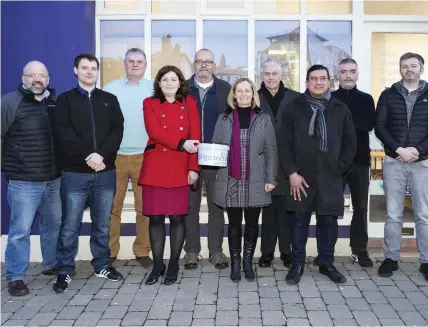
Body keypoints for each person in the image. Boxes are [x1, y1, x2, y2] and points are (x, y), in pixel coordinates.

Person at [278, 65, 356, 285]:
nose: (318, 82)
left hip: (330, 176)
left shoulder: (340, 109)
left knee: (328, 222)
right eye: (314, 78)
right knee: (299, 222)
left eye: (323, 78)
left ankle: (326, 263)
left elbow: (351, 143)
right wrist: (291, 172)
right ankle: (297, 264)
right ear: (306, 82)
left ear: (330, 82)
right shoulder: (293, 108)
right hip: (300, 177)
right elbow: (283, 144)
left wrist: (337, 167)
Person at [53, 54, 125, 293]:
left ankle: (102, 265)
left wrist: (101, 155)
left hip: (105, 172)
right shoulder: (64, 100)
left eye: (93, 68)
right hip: (75, 173)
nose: (89, 72)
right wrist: (89, 155)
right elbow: (64, 133)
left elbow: (117, 129)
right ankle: (64, 269)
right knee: (70, 224)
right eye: (84, 68)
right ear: (75, 70)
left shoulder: (109, 99)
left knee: (102, 223)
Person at [1, 61, 61, 296]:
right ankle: (15, 276)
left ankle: (51, 263)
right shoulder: (9, 102)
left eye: (42, 75)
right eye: (32, 75)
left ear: (48, 79)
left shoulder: (53, 103)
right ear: (23, 78)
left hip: (53, 178)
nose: (37, 79)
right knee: (20, 230)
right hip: (24, 180)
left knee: (53, 223)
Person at [138, 65, 201, 285]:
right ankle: (157, 264)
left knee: (177, 218)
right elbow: (154, 131)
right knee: (155, 218)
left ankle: (173, 263)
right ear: (158, 83)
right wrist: (181, 143)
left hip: (180, 166)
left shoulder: (190, 103)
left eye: (173, 79)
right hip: (156, 166)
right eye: (164, 79)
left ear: (180, 83)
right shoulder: (150, 103)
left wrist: (194, 169)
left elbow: (196, 136)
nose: (169, 83)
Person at [212, 77, 277, 282]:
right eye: (239, 91)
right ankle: (235, 264)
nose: (243, 95)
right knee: (233, 224)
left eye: (247, 91)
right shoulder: (224, 118)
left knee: (251, 224)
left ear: (252, 94)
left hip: (255, 179)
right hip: (230, 178)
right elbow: (216, 146)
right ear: (233, 94)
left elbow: (270, 150)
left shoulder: (263, 117)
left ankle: (248, 264)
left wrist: (271, 178)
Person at [314, 58, 376, 267]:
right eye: (344, 72)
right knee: (328, 207)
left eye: (352, 71)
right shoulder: (327, 99)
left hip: (359, 161)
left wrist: (339, 125)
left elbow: (366, 125)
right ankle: (325, 251)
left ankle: (359, 250)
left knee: (360, 207)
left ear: (357, 74)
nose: (348, 75)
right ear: (337, 75)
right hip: (333, 163)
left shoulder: (367, 99)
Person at [375, 52, 428, 280]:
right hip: (394, 162)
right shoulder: (388, 95)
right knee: (393, 214)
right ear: (400, 69)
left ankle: (426, 261)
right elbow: (380, 127)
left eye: (413, 66)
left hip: (422, 162)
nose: (409, 70)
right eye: (405, 66)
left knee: (423, 214)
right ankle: (391, 258)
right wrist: (399, 149)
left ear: (421, 68)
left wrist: (418, 151)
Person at [103, 48, 153, 268]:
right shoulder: (110, 89)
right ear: (124, 64)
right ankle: (110, 251)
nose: (135, 65)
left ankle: (142, 250)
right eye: (131, 61)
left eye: (139, 62)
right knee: (112, 207)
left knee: (145, 208)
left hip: (145, 157)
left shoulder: (154, 89)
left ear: (145, 65)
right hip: (116, 158)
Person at [184, 48, 231, 270]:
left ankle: (216, 251)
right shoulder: (183, 88)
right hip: (189, 158)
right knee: (189, 207)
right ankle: (192, 251)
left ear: (214, 66)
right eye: (199, 62)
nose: (204, 65)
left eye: (208, 62)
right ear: (194, 65)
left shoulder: (225, 89)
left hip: (216, 159)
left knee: (216, 207)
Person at [257, 59, 300, 268]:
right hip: (262, 162)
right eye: (267, 74)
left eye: (274, 73)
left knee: (285, 209)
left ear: (281, 75)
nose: (271, 78)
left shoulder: (295, 98)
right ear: (261, 75)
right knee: (267, 209)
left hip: (287, 162)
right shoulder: (254, 98)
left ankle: (286, 251)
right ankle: (266, 252)